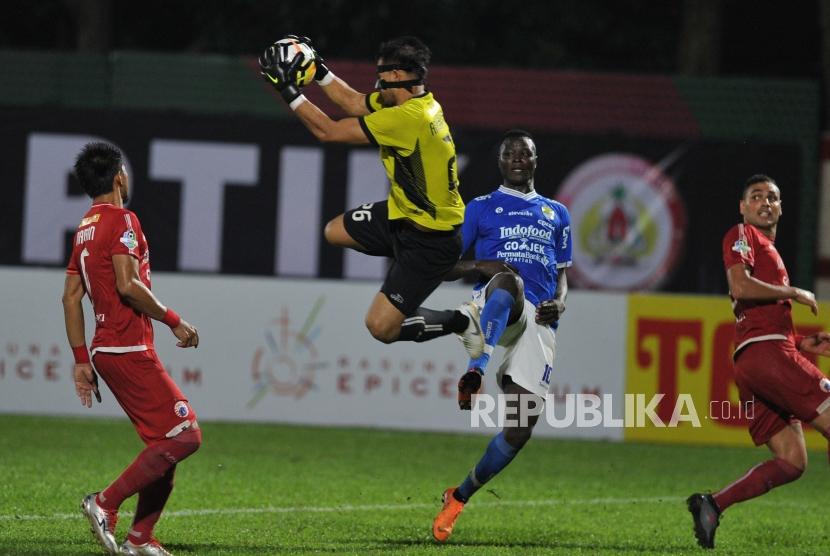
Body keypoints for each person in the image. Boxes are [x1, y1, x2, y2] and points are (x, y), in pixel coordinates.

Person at [258, 35, 483, 355]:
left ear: (395, 75)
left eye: (381, 73)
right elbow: (352, 102)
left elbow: (329, 131)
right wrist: (319, 70)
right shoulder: (414, 102)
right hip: (401, 216)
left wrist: (288, 90)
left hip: (431, 242)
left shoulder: (407, 119)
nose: (376, 81)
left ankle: (462, 320)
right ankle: (417, 269)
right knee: (334, 232)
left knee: (381, 328)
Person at [431, 129, 572, 542]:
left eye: (524, 153)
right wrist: (483, 265)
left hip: (541, 321)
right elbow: (447, 266)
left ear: (534, 160)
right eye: (509, 153)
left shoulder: (557, 213)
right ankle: (476, 369)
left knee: (521, 426)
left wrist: (560, 303)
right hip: (498, 304)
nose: (516, 159)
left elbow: (562, 275)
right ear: (500, 162)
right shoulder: (481, 208)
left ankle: (458, 496)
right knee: (509, 282)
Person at [63, 142, 202, 556]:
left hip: (107, 349)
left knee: (163, 443)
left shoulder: (85, 227)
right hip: (126, 346)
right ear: (119, 176)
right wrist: (175, 320)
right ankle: (104, 503)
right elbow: (127, 284)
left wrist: (80, 362)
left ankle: (141, 539)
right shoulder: (123, 219)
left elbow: (71, 298)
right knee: (185, 435)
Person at [687, 175, 830, 549]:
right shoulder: (743, 234)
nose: (765, 202)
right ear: (742, 206)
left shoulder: (768, 248)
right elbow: (740, 286)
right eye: (756, 196)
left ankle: (713, 505)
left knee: (792, 460)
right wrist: (794, 291)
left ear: (781, 207)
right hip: (766, 356)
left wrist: (802, 343)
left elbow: (756, 318)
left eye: (773, 197)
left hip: (759, 358)